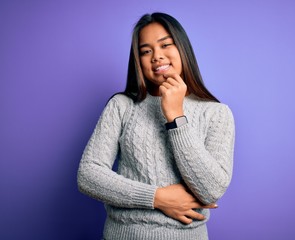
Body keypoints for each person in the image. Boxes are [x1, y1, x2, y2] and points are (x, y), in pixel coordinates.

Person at [77, 12, 235, 240]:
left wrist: (176, 116)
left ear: (182, 49)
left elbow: (210, 190)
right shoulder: (122, 105)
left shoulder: (217, 113)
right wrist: (157, 197)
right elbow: (89, 175)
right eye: (146, 51)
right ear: (138, 60)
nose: (157, 57)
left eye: (165, 45)